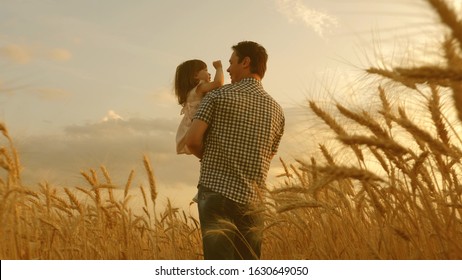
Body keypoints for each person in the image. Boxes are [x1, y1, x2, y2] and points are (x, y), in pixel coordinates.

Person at [185, 41, 285, 260]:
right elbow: (266, 157)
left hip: (216, 193)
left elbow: (191, 141)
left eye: (231, 63)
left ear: (246, 62)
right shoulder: (277, 111)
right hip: (253, 203)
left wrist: (213, 158)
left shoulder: (216, 96)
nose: (228, 69)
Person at [175, 59, 224, 155]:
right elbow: (218, 83)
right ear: (195, 75)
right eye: (205, 70)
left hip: (191, 124)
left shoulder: (191, 92)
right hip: (199, 123)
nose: (208, 73)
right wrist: (219, 68)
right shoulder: (200, 88)